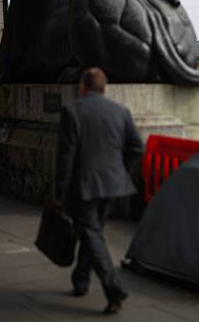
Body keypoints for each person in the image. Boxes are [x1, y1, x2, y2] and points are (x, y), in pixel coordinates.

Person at [54, 67, 144, 314]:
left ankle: (114, 289)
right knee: (91, 231)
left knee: (91, 234)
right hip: (113, 186)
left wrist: (59, 192)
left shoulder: (72, 111)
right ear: (104, 89)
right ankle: (81, 280)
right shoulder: (120, 111)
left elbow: (65, 157)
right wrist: (121, 170)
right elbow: (137, 147)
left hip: (84, 186)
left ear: (83, 87)